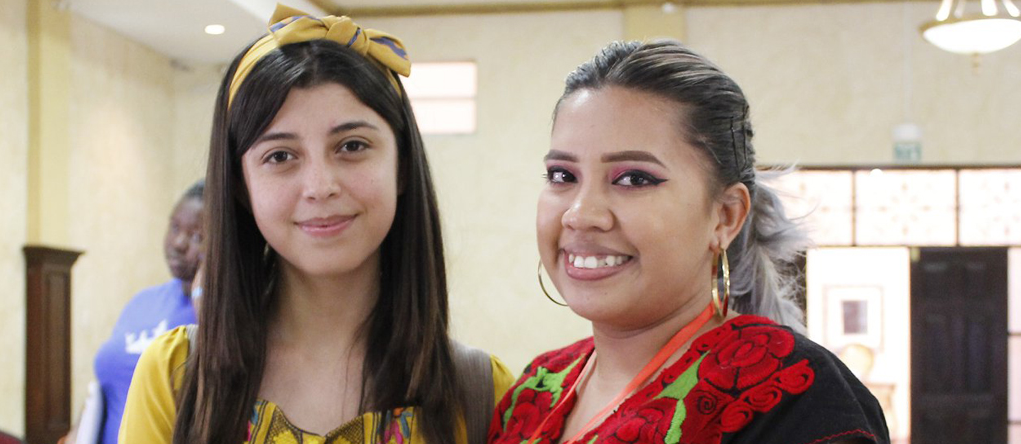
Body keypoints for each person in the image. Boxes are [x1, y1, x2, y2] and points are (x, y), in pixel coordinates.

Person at [119, 5, 513, 444]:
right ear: (240, 186)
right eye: (280, 156)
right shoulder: (176, 377)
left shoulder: (481, 393)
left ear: (402, 166)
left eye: (352, 145)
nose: (320, 186)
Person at [488, 41, 889, 444]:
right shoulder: (533, 391)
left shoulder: (794, 395)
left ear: (725, 215)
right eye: (562, 175)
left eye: (633, 179)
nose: (580, 214)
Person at [65, 179, 204, 444]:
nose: (178, 242)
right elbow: (103, 388)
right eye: (174, 227)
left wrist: (208, 288)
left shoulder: (220, 314)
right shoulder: (142, 302)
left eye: (197, 236)